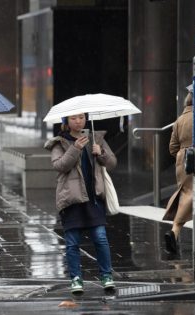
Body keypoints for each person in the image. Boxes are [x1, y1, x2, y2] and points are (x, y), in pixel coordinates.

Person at [44, 113, 116, 294]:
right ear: (66, 122)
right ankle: (76, 278)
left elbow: (112, 163)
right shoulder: (59, 142)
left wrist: (102, 153)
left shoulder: (96, 138)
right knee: (72, 242)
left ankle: (106, 275)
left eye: (82, 118)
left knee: (100, 238)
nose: (78, 121)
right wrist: (75, 148)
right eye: (74, 118)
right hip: (71, 199)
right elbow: (59, 166)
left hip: (94, 198)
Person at [163, 92, 194, 254]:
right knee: (194, 196)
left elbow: (172, 147)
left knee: (187, 194)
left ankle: (174, 232)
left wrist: (183, 154)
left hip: (182, 160)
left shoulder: (179, 120)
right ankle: (174, 230)